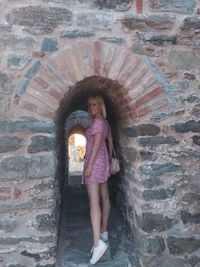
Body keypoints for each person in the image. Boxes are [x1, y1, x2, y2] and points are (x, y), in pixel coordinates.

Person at [82, 93, 113, 265]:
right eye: (90, 105)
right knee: (104, 197)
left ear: (101, 106)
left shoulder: (99, 122)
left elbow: (94, 145)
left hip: (95, 163)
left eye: (95, 104)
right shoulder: (105, 123)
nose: (92, 107)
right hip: (103, 162)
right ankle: (103, 232)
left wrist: (89, 165)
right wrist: (108, 159)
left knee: (94, 202)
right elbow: (110, 140)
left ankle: (97, 243)